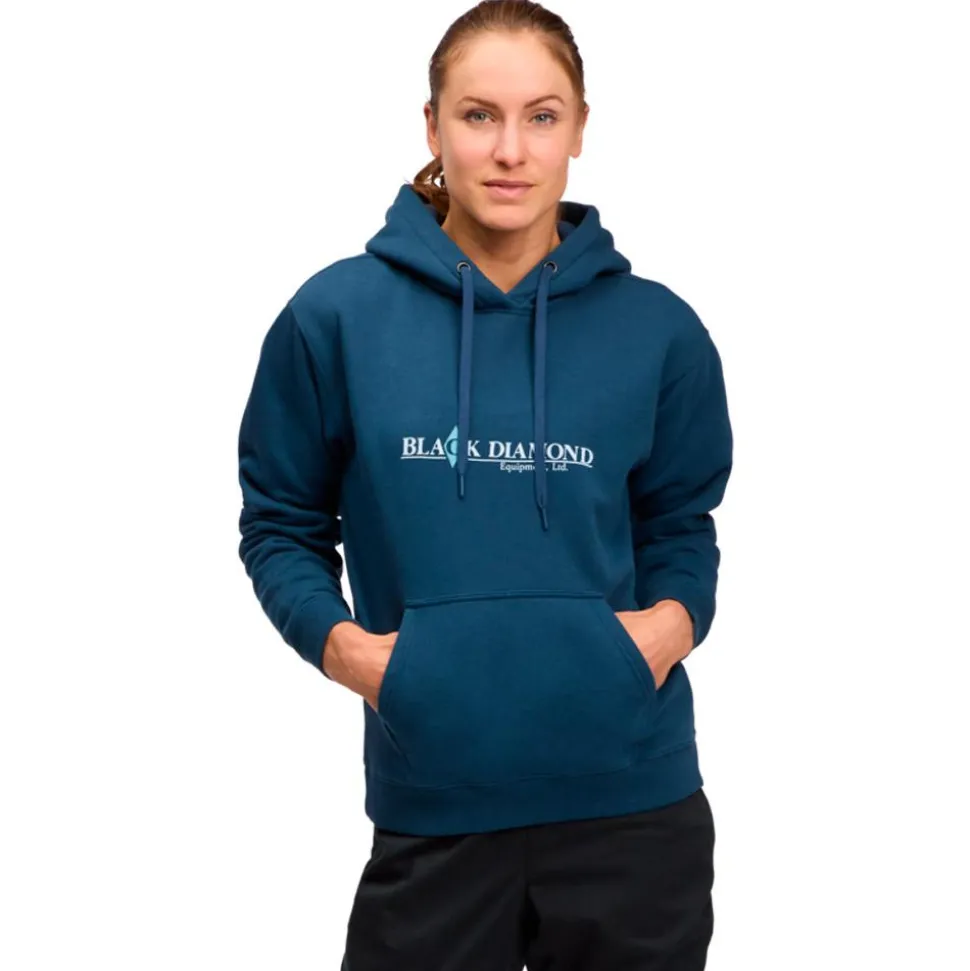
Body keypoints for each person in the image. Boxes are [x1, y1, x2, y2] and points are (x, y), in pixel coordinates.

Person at [236, 1, 733, 967]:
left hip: (635, 808)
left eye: (542, 116)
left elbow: (681, 519)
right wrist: (353, 653)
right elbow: (280, 522)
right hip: (436, 805)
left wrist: (665, 629)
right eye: (478, 115)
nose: (511, 150)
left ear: (579, 129)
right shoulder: (335, 316)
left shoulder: (659, 329)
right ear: (433, 127)